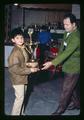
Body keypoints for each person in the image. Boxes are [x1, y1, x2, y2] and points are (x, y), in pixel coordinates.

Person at [42, 13, 80, 115]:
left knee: (66, 89)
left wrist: (52, 63)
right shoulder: (66, 33)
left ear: (74, 24)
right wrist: (58, 60)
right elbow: (62, 49)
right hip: (66, 65)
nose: (65, 27)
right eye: (64, 24)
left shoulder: (76, 37)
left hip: (73, 67)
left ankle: (60, 109)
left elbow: (67, 52)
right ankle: (77, 104)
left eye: (67, 24)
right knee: (73, 87)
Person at [8, 28, 39, 115]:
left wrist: (30, 64)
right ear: (13, 40)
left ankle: (21, 113)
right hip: (18, 79)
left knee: (23, 96)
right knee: (19, 98)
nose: (20, 40)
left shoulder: (23, 47)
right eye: (17, 38)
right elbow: (14, 69)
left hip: (24, 77)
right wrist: (30, 69)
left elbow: (25, 61)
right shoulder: (15, 53)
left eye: (21, 37)